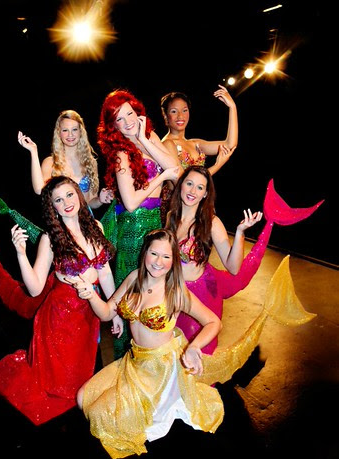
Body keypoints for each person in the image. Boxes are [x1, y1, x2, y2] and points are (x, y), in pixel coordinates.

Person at [72, 229, 316, 459]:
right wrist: (91, 294)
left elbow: (213, 322)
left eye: (166, 256)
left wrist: (194, 347)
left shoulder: (176, 291)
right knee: (83, 397)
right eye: (154, 253)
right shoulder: (134, 278)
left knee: (101, 413)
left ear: (173, 260)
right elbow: (106, 312)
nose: (158, 262)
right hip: (134, 363)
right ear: (145, 252)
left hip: (159, 371)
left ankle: (165, 401)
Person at [0, 177, 123, 426]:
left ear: (78, 195)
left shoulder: (96, 226)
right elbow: (34, 289)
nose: (66, 202)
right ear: (52, 207)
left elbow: (104, 272)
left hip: (88, 316)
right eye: (58, 200)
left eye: (69, 195)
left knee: (80, 377)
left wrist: (114, 312)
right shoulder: (50, 238)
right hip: (59, 319)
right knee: (57, 389)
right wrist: (21, 254)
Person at [165, 166, 324, 355]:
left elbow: (233, 268)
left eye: (200, 187)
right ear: (181, 185)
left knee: (197, 354)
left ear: (206, 194)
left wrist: (240, 233)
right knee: (172, 350)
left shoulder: (211, 222)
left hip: (202, 295)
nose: (193, 191)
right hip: (174, 292)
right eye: (189, 183)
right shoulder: (171, 217)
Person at [98, 89, 180, 358]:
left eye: (129, 114)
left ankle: (153, 353)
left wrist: (144, 139)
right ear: (114, 127)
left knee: (154, 291)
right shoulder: (120, 154)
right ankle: (127, 358)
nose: (127, 121)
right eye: (119, 119)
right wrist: (160, 179)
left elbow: (175, 169)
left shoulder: (150, 137)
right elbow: (131, 202)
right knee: (133, 292)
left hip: (154, 222)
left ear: (138, 112)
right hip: (132, 228)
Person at [159, 86, 238, 223]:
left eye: (184, 110)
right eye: (174, 111)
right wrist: (218, 165)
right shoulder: (167, 144)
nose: (180, 116)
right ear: (165, 116)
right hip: (177, 211)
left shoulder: (194, 143)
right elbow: (183, 183)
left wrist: (232, 108)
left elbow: (230, 145)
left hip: (196, 207)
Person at [18, 109, 114, 210]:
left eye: (74, 129)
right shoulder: (50, 162)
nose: (70, 135)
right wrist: (33, 151)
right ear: (59, 133)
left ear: (81, 132)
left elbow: (90, 203)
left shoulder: (90, 163)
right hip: (61, 218)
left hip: (86, 218)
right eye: (65, 130)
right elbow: (39, 190)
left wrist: (100, 200)